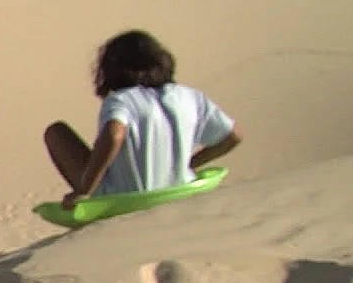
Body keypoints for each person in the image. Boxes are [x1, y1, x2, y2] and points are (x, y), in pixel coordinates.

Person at [43, 29, 243, 210]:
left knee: (56, 132)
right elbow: (233, 136)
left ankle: (88, 191)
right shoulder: (190, 97)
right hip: (179, 187)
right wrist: (189, 165)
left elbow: (114, 135)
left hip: (123, 198)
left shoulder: (121, 99)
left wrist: (84, 192)